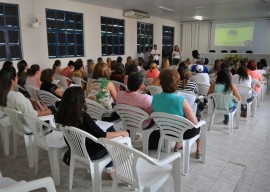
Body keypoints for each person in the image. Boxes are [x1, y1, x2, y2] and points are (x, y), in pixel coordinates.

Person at [55, 86, 129, 163]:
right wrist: (123, 133)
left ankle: (109, 169)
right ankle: (111, 167)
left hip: (76, 149)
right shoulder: (82, 116)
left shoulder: (62, 115)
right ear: (80, 100)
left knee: (110, 129)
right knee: (118, 143)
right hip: (92, 152)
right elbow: (101, 135)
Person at [152, 69, 201, 158]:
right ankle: (198, 149)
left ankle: (177, 144)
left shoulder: (155, 98)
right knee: (198, 117)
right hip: (182, 133)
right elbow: (195, 123)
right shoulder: (181, 100)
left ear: (161, 82)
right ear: (177, 83)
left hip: (164, 130)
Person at [0, 67, 52, 133]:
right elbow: (33, 115)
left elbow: (17, 103)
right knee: (52, 109)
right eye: (16, 77)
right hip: (31, 126)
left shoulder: (4, 96)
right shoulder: (17, 96)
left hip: (19, 125)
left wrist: (27, 99)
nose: (17, 78)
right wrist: (47, 112)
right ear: (12, 80)